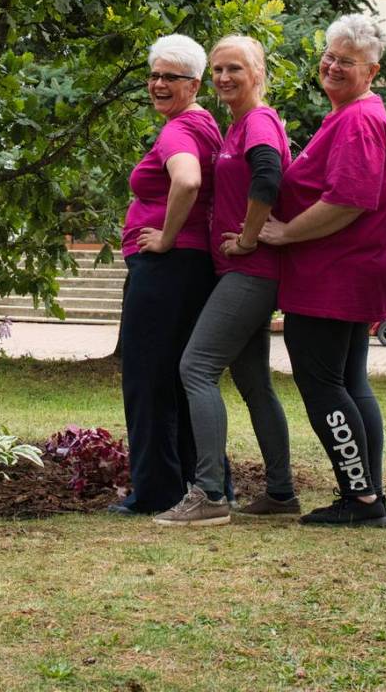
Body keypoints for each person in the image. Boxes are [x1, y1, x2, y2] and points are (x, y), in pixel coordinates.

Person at [258, 13, 386, 527]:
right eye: (330, 55)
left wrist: (284, 232)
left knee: (323, 384)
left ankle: (360, 499)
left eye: (347, 61)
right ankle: (368, 494)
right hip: (352, 271)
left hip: (335, 274)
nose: (333, 66)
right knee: (348, 381)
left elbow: (348, 201)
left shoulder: (358, 119)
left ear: (372, 70)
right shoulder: (357, 114)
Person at [155, 35, 295, 526]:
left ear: (258, 72)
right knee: (254, 381)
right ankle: (280, 492)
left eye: (235, 68)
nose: (224, 77)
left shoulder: (257, 121)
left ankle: (210, 493)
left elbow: (268, 178)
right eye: (217, 70)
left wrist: (251, 237)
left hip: (250, 271)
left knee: (195, 367)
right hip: (242, 270)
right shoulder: (239, 124)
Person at [111, 34, 222, 516]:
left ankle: (154, 491)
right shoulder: (205, 124)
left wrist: (167, 236)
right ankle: (200, 484)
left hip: (167, 269)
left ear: (194, 84)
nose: (158, 84)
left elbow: (188, 180)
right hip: (193, 271)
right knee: (179, 379)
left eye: (170, 77)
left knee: (147, 378)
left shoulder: (178, 131)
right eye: (153, 75)